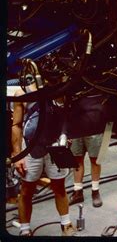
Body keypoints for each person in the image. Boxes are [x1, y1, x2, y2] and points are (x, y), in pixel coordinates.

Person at [11, 83, 77, 236]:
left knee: (59, 186)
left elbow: (68, 116)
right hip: (30, 146)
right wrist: (17, 155)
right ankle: (25, 229)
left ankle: (66, 224)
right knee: (26, 189)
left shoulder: (60, 89)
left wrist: (66, 137)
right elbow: (16, 124)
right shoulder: (22, 93)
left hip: (55, 145)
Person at [67, 95, 109, 208]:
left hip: (94, 125)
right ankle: (78, 191)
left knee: (95, 160)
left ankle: (95, 191)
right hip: (75, 127)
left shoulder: (97, 83)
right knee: (76, 160)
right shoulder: (72, 84)